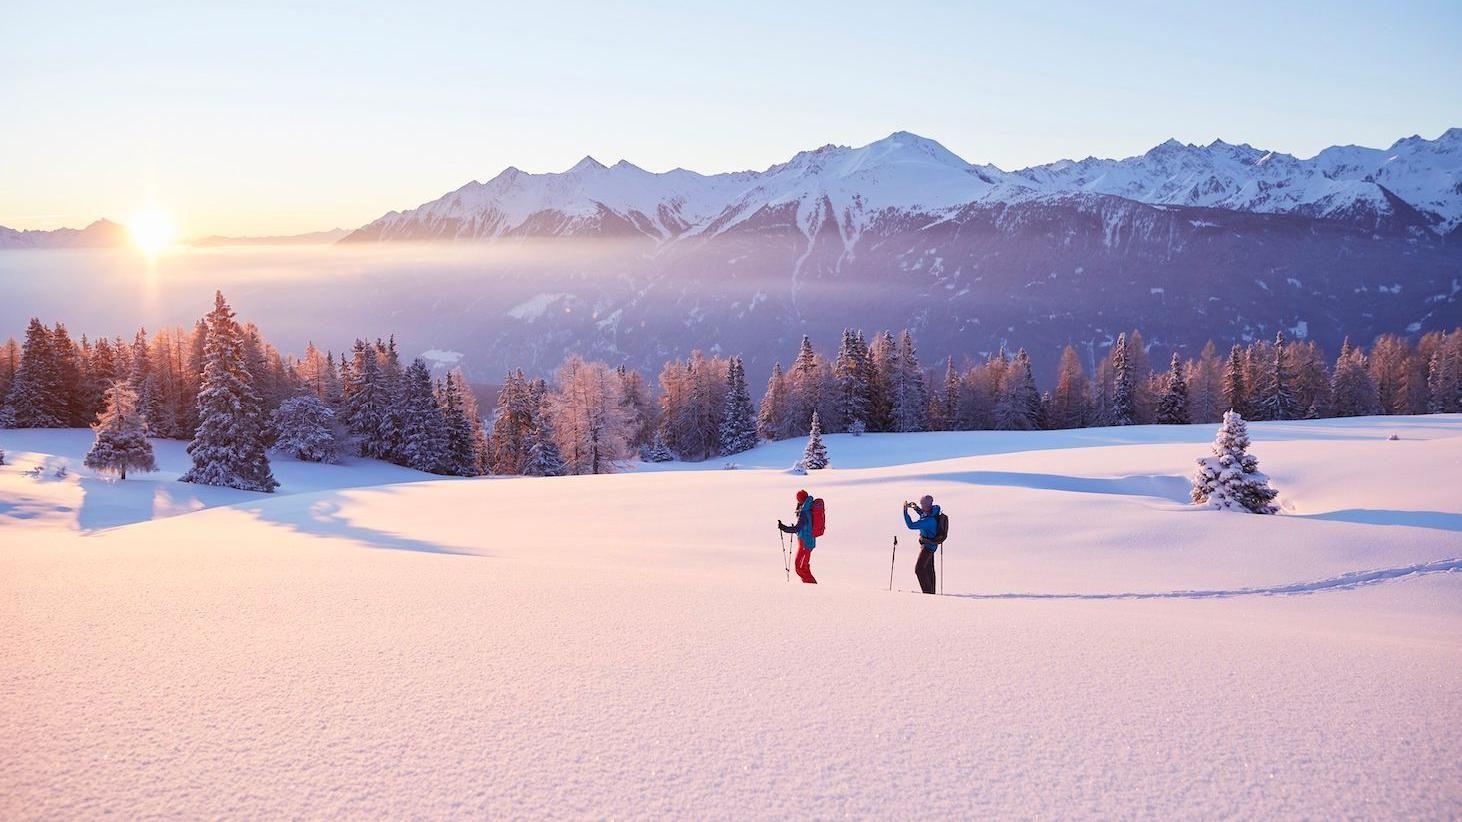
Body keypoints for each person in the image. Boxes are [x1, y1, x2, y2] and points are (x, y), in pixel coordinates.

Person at [903, 495, 941, 594]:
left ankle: (927, 593)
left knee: (919, 569)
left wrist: (905, 512)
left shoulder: (928, 520)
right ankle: (932, 593)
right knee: (929, 569)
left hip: (928, 547)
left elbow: (911, 525)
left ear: (927, 505)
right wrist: (916, 509)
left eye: (922, 504)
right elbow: (924, 514)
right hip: (931, 545)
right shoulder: (932, 514)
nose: (921, 505)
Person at [778, 489, 817, 584]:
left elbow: (797, 528)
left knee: (800, 567)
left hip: (805, 544)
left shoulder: (804, 512)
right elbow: (803, 528)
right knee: (803, 566)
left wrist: (784, 528)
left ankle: (811, 586)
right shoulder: (808, 509)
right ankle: (809, 585)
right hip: (807, 542)